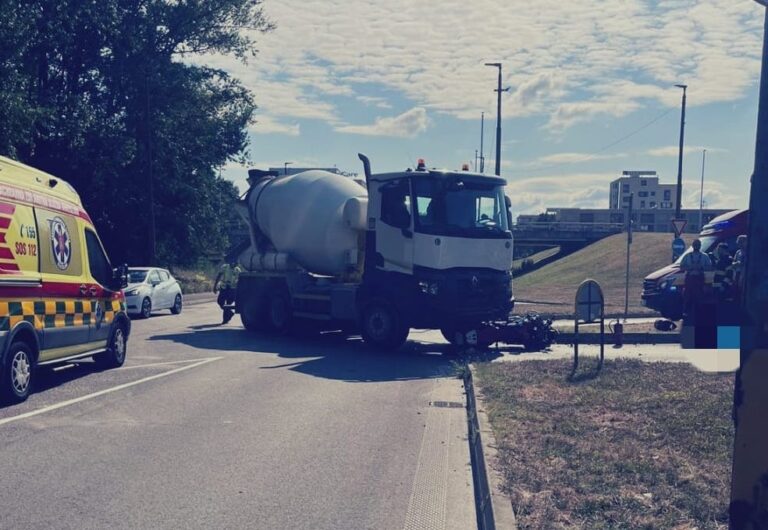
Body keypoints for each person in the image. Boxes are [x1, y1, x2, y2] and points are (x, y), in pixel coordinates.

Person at [680, 239, 713, 317]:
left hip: (700, 278)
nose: (696, 246)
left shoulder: (705, 256)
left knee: (699, 296)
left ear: (700, 246)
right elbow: (681, 267)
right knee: (688, 295)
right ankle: (686, 312)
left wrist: (701, 267)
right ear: (692, 246)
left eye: (698, 245)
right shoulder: (687, 256)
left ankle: (699, 313)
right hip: (690, 278)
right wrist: (689, 267)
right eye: (695, 244)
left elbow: (709, 267)